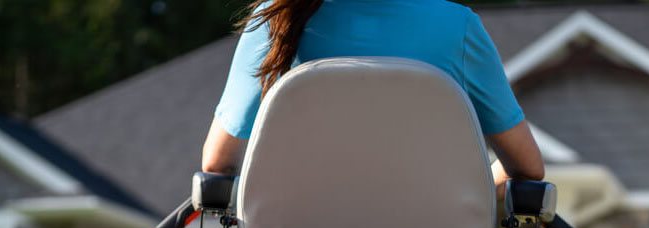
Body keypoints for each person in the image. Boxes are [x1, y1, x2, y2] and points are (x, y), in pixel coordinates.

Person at [201, 0, 544, 192]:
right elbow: (527, 167)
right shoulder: (458, 25)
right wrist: (474, 191)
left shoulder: (273, 22)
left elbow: (217, 164)